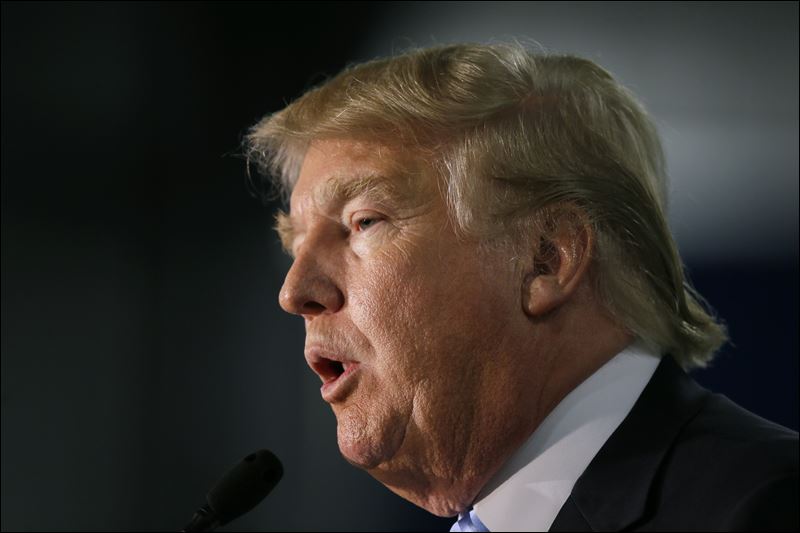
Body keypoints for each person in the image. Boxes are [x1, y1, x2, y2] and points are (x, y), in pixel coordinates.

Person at [243, 43, 798, 531]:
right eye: (295, 244)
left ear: (546, 260)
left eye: (364, 221)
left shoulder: (766, 507)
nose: (295, 291)